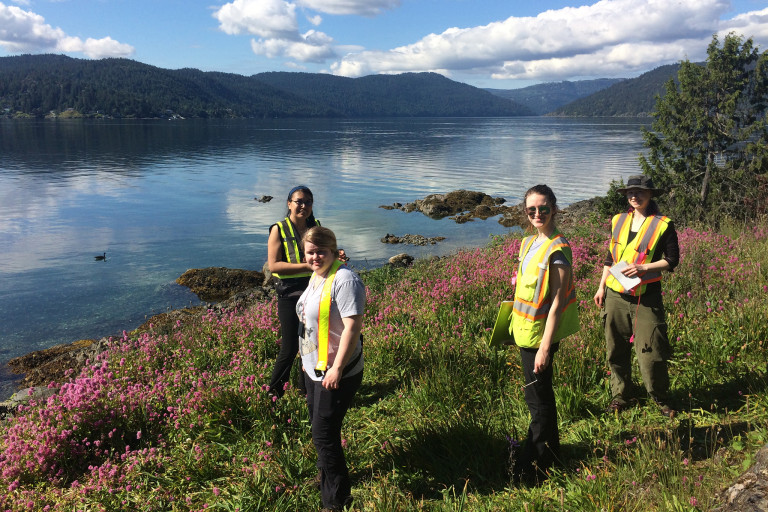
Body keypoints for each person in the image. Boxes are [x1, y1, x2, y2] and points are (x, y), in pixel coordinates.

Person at [593, 174, 679, 418]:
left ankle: (660, 398)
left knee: (652, 351)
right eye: (631, 192)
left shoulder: (663, 224)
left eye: (640, 191)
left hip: (647, 297)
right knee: (615, 349)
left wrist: (643, 268)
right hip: (614, 295)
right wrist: (601, 287)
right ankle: (620, 395)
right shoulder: (618, 220)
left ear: (651, 195)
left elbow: (672, 260)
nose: (635, 195)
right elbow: (610, 258)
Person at [510, 185, 579, 486]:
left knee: (538, 404)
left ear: (554, 208)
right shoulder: (528, 242)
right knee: (539, 397)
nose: (537, 214)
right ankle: (553, 455)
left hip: (540, 337)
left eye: (543, 208)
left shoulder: (558, 248)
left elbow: (557, 304)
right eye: (531, 210)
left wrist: (545, 348)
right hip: (524, 333)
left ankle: (531, 469)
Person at [296, 226, 365, 511]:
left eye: (321, 251)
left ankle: (336, 501)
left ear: (334, 250)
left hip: (336, 371)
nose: (315, 256)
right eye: (310, 252)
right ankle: (327, 475)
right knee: (320, 430)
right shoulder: (317, 275)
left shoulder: (345, 279)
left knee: (324, 435)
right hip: (314, 369)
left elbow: (353, 326)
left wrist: (337, 368)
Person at [267, 185, 319, 398]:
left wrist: (336, 254)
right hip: (289, 294)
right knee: (290, 348)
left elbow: (323, 254)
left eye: (307, 202)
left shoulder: (315, 226)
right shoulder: (278, 229)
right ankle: (273, 393)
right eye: (299, 201)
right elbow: (274, 266)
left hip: (313, 292)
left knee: (309, 344)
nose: (303, 206)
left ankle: (304, 390)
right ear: (289, 204)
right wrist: (306, 267)